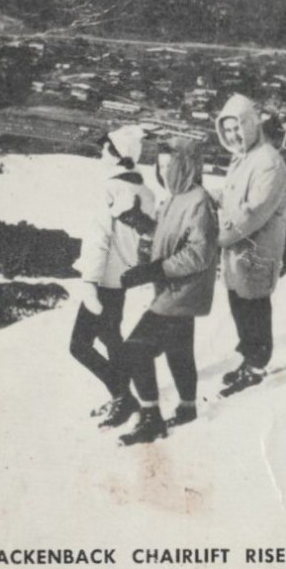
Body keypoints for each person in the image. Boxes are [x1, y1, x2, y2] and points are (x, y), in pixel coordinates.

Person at [114, 137, 219, 445]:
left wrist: (155, 270)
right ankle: (187, 408)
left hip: (184, 290)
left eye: (169, 165)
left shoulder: (199, 201)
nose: (163, 171)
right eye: (159, 166)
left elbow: (199, 254)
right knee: (178, 349)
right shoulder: (175, 198)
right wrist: (140, 223)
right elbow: (164, 234)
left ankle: (151, 418)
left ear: (186, 166)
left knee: (134, 349)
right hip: (174, 287)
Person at [70, 125, 156, 420]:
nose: (101, 152)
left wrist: (89, 282)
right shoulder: (144, 192)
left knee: (79, 346)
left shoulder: (107, 189)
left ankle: (123, 395)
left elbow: (98, 240)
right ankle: (123, 396)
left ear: (117, 154)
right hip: (121, 279)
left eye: (106, 147)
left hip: (102, 280)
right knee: (111, 337)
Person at [215, 94, 286, 392]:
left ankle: (257, 365)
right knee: (239, 304)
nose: (233, 135)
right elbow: (233, 199)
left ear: (251, 125)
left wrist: (216, 238)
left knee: (254, 306)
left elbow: (253, 212)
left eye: (238, 128)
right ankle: (249, 359)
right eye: (228, 130)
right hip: (237, 252)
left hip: (257, 250)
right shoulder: (243, 159)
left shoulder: (268, 162)